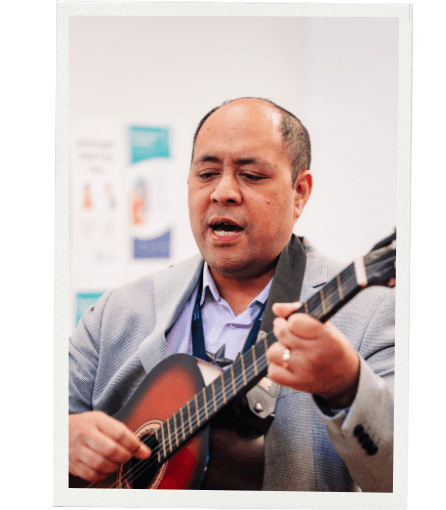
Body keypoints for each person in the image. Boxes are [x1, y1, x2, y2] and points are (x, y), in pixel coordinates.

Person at [69, 97, 395, 491]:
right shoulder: (115, 312)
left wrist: (346, 385)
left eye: (251, 176)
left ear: (300, 192)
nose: (223, 192)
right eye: (207, 173)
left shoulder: (372, 312)